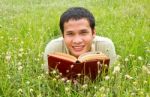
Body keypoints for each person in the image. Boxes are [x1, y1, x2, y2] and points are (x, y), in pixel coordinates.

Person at [43, 7, 117, 72]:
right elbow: (48, 80)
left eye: (83, 32)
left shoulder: (106, 45)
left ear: (93, 33)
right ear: (63, 35)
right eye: (70, 34)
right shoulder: (53, 48)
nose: (77, 41)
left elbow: (112, 78)